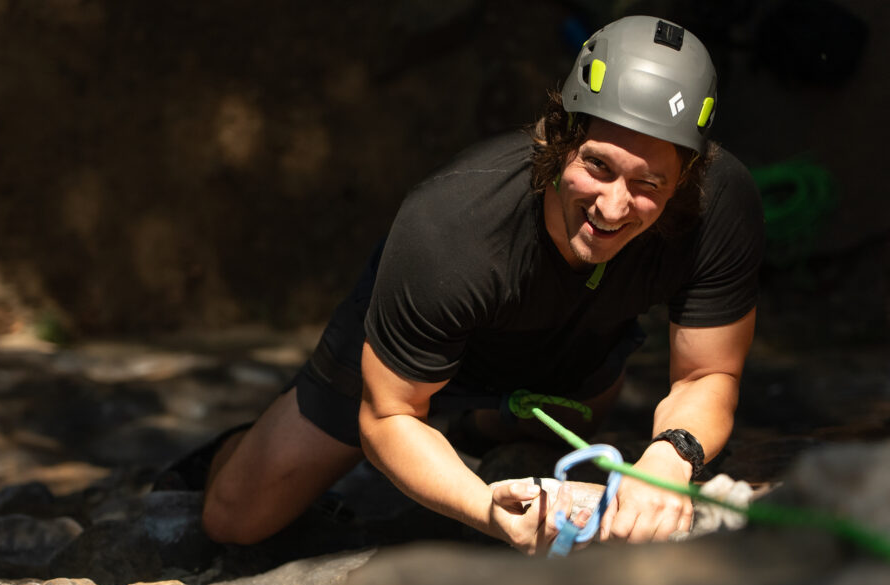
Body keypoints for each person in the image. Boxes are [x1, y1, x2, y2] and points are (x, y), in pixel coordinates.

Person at [194, 16, 764, 555]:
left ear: (688, 176)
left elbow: (707, 373)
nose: (613, 207)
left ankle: (477, 425)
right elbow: (389, 415)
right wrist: (482, 508)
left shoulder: (720, 207)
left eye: (648, 183)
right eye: (598, 167)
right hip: (412, 357)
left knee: (552, 437)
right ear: (560, 137)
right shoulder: (450, 226)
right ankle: (235, 447)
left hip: (570, 347)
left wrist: (670, 458)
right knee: (235, 518)